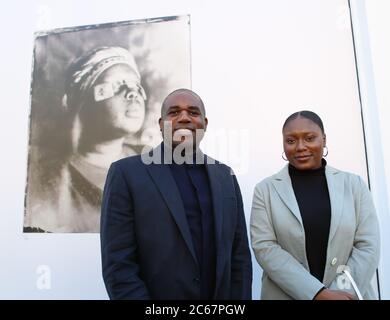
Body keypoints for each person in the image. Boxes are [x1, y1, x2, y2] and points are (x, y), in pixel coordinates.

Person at [100, 88, 252, 299]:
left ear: (205, 124)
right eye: (173, 112)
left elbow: (239, 257)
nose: (184, 117)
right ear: (161, 124)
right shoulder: (126, 174)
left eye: (193, 112)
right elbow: (118, 263)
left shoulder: (225, 176)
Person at [250, 110, 380, 300]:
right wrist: (318, 294)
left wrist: (339, 292)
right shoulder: (265, 190)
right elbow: (265, 248)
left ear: (324, 140)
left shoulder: (354, 185)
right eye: (291, 141)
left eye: (310, 138)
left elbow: (368, 246)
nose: (300, 147)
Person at [24, 46, 147, 232]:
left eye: (136, 85)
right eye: (117, 85)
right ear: (83, 102)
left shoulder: (153, 160)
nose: (133, 93)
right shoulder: (48, 183)